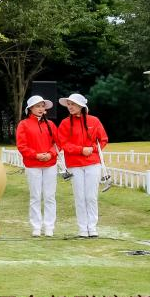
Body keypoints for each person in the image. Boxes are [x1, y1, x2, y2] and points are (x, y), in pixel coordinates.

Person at [58, 93, 109, 238]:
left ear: (81, 106)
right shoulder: (65, 123)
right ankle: (82, 229)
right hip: (74, 164)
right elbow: (63, 143)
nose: (70, 107)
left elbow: (103, 139)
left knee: (91, 196)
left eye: (73, 104)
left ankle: (92, 227)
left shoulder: (94, 121)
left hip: (93, 163)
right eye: (68, 104)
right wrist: (81, 150)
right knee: (79, 197)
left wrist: (92, 149)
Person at [16, 95, 60, 237]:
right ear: (30, 109)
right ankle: (36, 226)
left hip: (50, 164)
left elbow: (58, 143)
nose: (41, 109)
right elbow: (22, 146)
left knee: (49, 196)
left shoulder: (51, 124)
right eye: (37, 106)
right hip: (33, 165)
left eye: (42, 106)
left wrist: (51, 154)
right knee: (35, 196)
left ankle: (49, 227)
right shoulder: (23, 124)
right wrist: (36, 155)